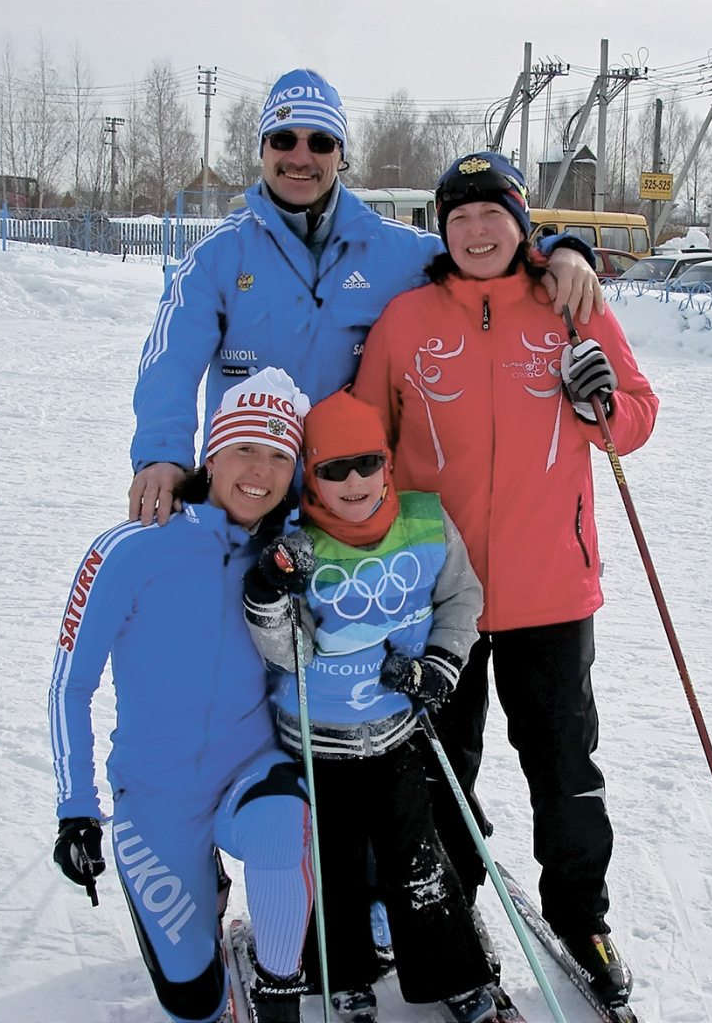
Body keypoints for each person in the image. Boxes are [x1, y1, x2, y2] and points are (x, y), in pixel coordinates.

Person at [353, 152, 659, 1008]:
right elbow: (365, 431)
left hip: (551, 592)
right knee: (442, 771)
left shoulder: (569, 302)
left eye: (494, 214)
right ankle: (452, 921)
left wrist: (603, 402)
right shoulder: (408, 318)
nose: (478, 231)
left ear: (522, 224)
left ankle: (581, 918)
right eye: (460, 217)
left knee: (565, 771)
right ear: (442, 231)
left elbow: (635, 415)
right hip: (436, 597)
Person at [127, 67, 605, 529]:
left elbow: (483, 254)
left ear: (340, 155)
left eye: (320, 142)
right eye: (283, 138)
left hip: (348, 506)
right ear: (262, 148)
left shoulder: (396, 251)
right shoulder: (217, 256)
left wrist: (559, 251)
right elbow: (170, 360)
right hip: (246, 502)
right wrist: (161, 455)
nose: (300, 156)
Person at [50, 368, 316, 1023]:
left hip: (248, 772)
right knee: (192, 1002)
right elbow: (70, 685)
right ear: (210, 455)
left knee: (284, 823)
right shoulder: (131, 547)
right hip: (156, 793)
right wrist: (75, 809)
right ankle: (203, 911)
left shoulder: (286, 554)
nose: (260, 471)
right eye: (245, 449)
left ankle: (280, 996)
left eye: (280, 456)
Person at [242, 389, 496, 1023]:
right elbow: (283, 652)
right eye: (332, 470)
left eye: (366, 463)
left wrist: (441, 663)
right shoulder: (295, 546)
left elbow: (463, 598)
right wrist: (270, 593)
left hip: (395, 731)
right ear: (312, 478)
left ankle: (452, 974)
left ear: (387, 462)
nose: (353, 481)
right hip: (317, 740)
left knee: (417, 856)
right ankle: (342, 972)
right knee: (332, 865)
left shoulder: (426, 522)